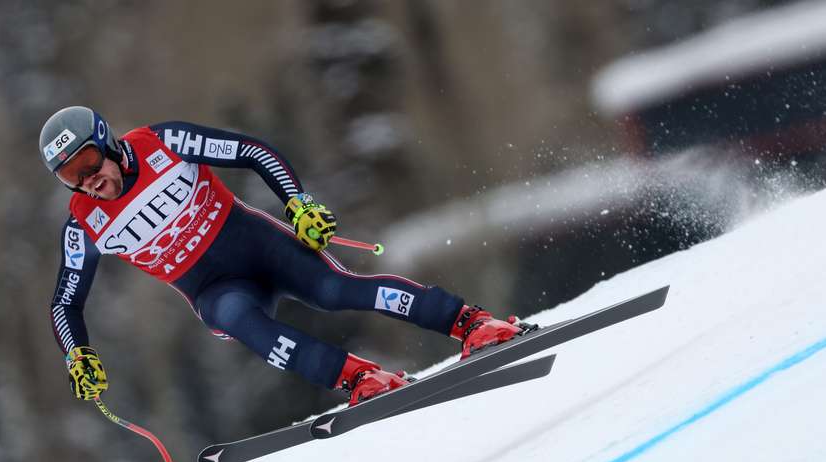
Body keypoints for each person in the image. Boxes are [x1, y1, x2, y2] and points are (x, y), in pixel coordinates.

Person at [41, 106, 534, 406]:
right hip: (214, 289)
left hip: (255, 244)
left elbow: (254, 152)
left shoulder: (161, 144)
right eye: (70, 177)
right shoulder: (83, 222)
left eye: (87, 163)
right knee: (240, 320)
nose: (87, 180)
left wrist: (298, 203)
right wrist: (76, 354)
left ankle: (470, 323)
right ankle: (360, 377)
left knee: (335, 291)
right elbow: (66, 303)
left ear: (106, 142)